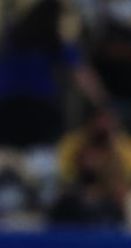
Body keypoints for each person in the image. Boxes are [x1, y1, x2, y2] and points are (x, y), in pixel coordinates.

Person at [0, 0, 107, 147]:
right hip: (37, 109)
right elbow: (83, 75)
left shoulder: (11, 37)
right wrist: (103, 102)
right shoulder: (54, 42)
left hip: (7, 107)